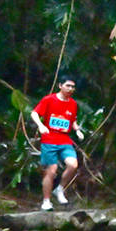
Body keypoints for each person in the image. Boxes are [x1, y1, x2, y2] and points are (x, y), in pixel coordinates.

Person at [31, 76, 84, 211]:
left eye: (72, 87)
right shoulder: (49, 99)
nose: (70, 89)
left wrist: (77, 130)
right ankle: (46, 201)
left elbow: (72, 120)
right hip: (49, 139)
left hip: (64, 139)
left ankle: (59, 189)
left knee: (73, 165)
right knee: (51, 171)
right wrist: (41, 125)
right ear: (60, 85)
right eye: (68, 85)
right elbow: (34, 113)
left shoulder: (73, 104)